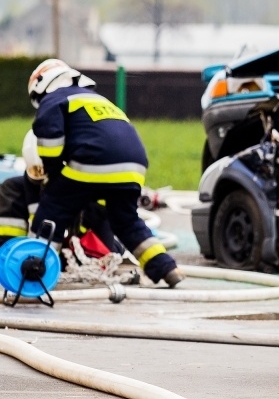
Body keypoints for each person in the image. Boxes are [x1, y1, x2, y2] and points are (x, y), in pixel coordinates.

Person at [26, 59, 183, 287]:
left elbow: (50, 141)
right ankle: (168, 269)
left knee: (53, 210)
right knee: (127, 221)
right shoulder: (101, 102)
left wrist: (54, 173)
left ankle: (33, 270)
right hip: (134, 167)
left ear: (42, 86)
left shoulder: (55, 99)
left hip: (91, 162)